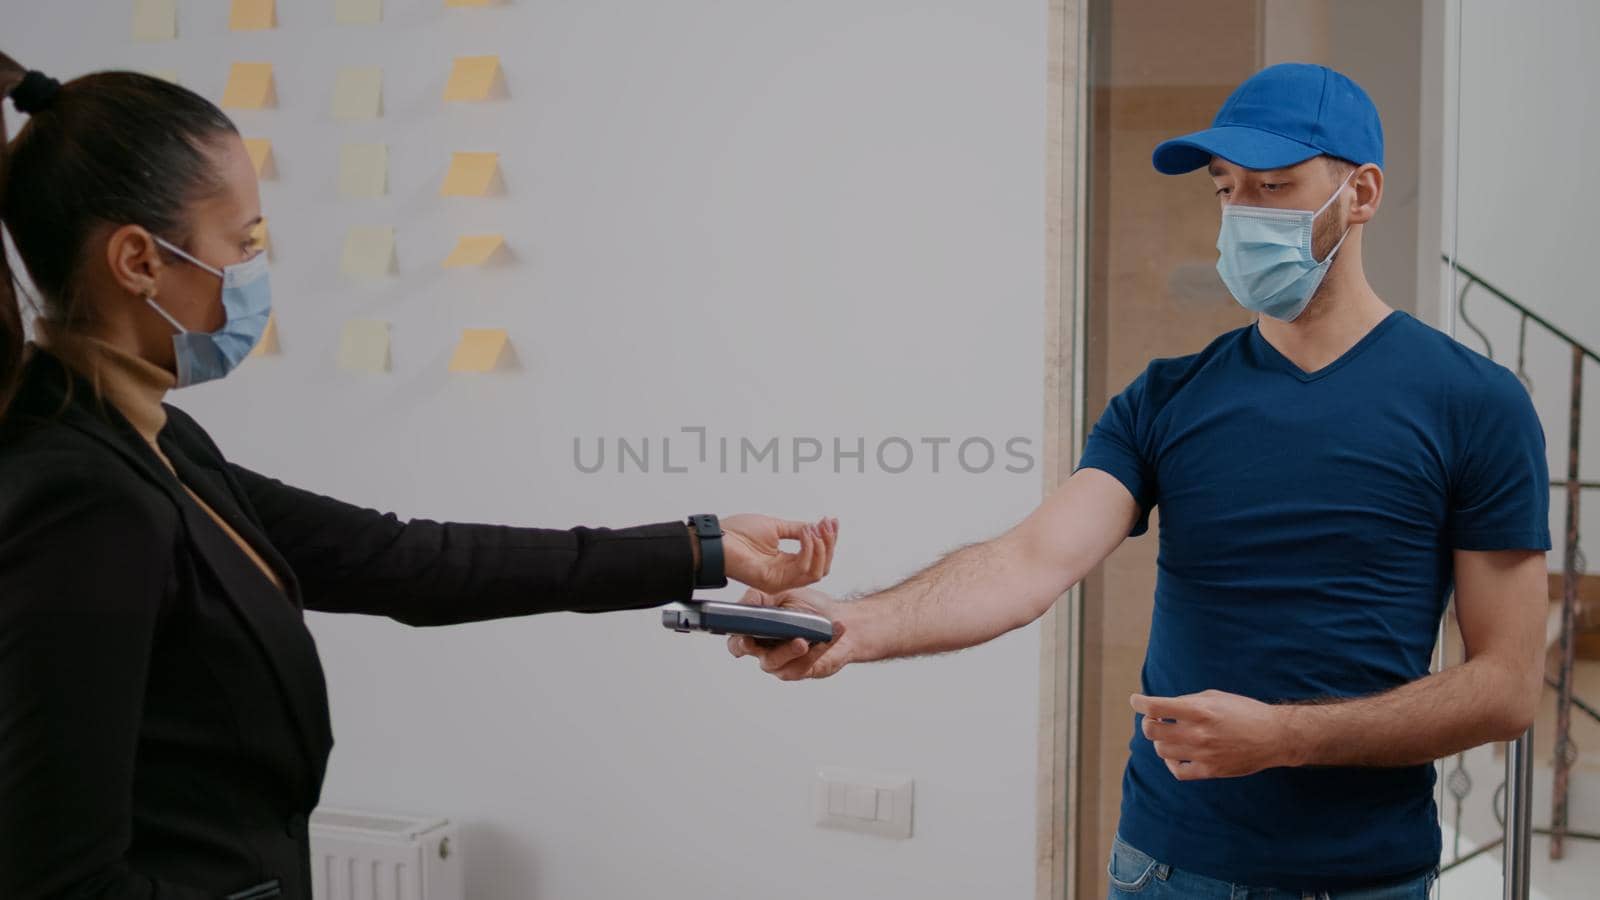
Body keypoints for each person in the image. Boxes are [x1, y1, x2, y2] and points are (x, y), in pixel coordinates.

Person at [0, 57, 839, 899]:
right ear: (139, 261)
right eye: (244, 243)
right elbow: (61, 880)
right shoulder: (80, 496)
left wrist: (702, 548)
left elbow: (406, 560)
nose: (257, 269)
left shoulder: (157, 442)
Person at [731, 63, 1550, 897]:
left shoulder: (1473, 404)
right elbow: (1027, 562)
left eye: (1273, 186)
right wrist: (852, 623)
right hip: (1162, 866)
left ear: (1362, 194)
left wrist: (1286, 737)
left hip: (1361, 875)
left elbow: (1506, 687)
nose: (1241, 216)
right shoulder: (1166, 397)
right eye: (1226, 190)